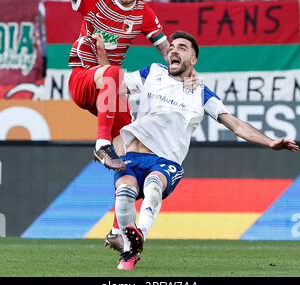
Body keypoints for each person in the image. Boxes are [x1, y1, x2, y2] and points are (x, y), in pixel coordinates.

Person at [92, 30, 299, 270]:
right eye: (171, 47)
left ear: (194, 59)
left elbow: (235, 124)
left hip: (164, 161)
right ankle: (129, 248)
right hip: (132, 156)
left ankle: (139, 239)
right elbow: (113, 84)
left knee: (153, 186)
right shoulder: (154, 73)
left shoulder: (201, 93)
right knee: (125, 190)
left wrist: (270, 141)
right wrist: (101, 53)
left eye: (182, 47)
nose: (173, 50)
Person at [16, 0, 170, 169]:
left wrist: (189, 73)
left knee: (130, 148)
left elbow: (165, 48)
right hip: (84, 80)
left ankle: (127, 195)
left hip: (111, 92)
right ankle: (101, 143)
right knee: (115, 73)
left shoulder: (144, 13)